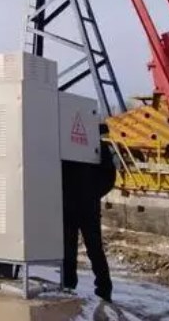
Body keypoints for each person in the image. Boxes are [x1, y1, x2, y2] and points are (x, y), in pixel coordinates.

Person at [61, 123, 116, 302]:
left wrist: (91, 194)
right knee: (70, 249)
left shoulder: (95, 148)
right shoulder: (70, 147)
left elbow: (109, 177)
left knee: (92, 249)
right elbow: (109, 178)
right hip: (76, 206)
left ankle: (102, 288)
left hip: (82, 206)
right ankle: (70, 284)